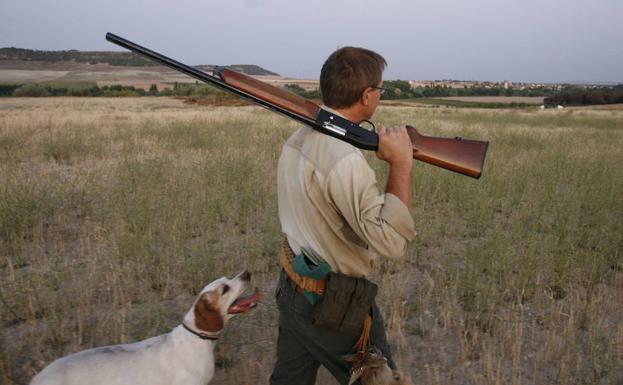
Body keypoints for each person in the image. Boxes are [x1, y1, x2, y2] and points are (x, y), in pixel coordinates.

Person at [270, 46, 416, 385]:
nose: (380, 95)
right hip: (334, 306)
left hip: (293, 287)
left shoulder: (298, 136)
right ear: (367, 95)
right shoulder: (344, 159)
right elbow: (391, 242)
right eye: (380, 89)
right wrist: (402, 163)